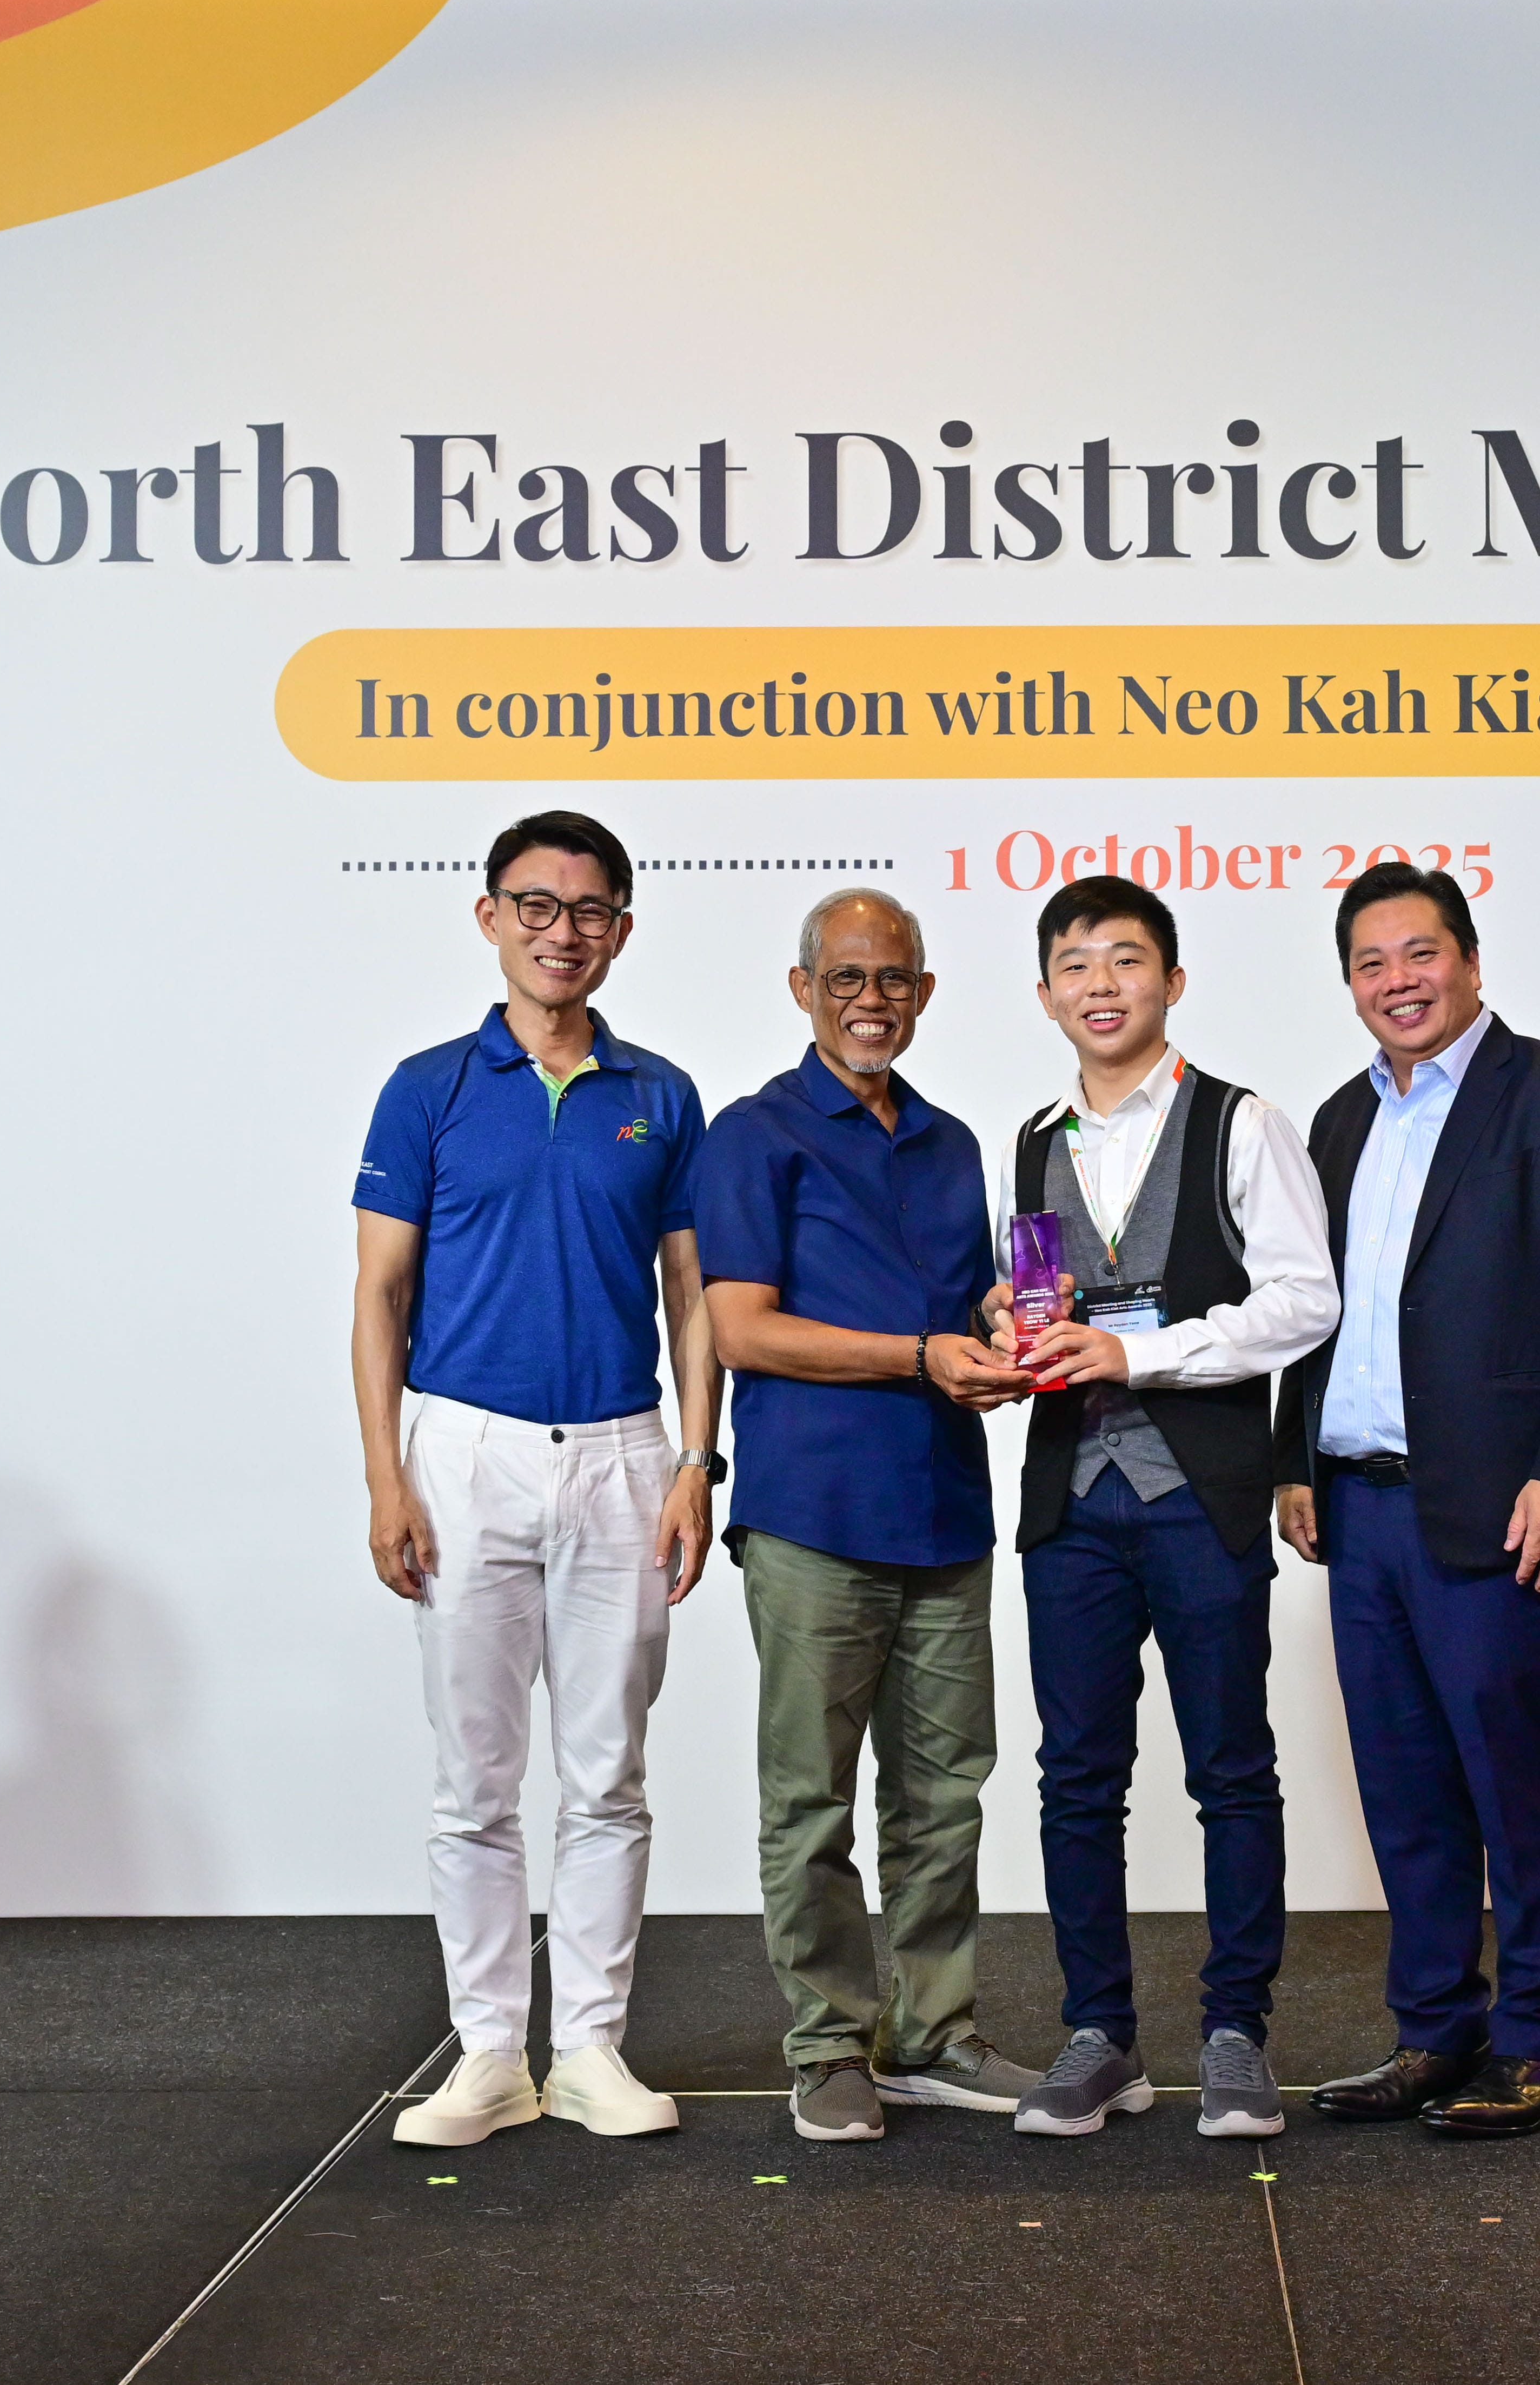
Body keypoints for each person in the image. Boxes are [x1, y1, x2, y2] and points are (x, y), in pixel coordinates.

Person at [353, 809, 725, 2149]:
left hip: (624, 1453)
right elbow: (379, 1294)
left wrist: (695, 1458)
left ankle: (593, 2049)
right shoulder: (430, 1087)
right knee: (475, 1779)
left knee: (607, 1771)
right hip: (463, 1452)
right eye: (537, 904)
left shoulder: (661, 1094)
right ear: (489, 916)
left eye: (589, 910)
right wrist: (389, 1478)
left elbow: (692, 1295)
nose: (562, 930)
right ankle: (490, 2051)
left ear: (622, 928)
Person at [1272, 861, 1540, 2139]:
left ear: (1472, 960)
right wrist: (1295, 1458)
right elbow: (1308, 1309)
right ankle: (1436, 2029)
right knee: (1406, 1783)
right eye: (1372, 963)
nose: (1400, 981)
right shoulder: (1336, 1120)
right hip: (1361, 1507)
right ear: (1350, 984)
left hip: (1505, 1505)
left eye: (1421, 953)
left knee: (1516, 1778)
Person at [988, 876, 1339, 2142]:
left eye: (1125, 960)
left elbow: (1306, 1301)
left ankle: (1237, 2030)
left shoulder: (1246, 1123)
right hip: (1070, 1500)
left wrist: (1144, 1354)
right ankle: (1100, 2036)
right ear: (1045, 995)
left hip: (1202, 1496)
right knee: (1077, 1775)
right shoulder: (1032, 1139)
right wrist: (1005, 1328)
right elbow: (1039, 1301)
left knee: (1230, 1769)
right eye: (1074, 965)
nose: (1100, 984)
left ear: (1172, 980)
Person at [695, 887, 1044, 2142]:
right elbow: (740, 1326)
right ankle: (830, 2041)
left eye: (893, 979)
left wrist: (1004, 1327)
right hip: (814, 1516)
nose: (871, 1000)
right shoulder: (752, 1133)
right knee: (812, 1796)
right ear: (803, 989)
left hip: (946, 1509)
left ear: (926, 992)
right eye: (845, 977)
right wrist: (919, 1353)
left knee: (947, 1791)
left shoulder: (953, 1143)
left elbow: (964, 1307)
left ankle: (933, 2031)